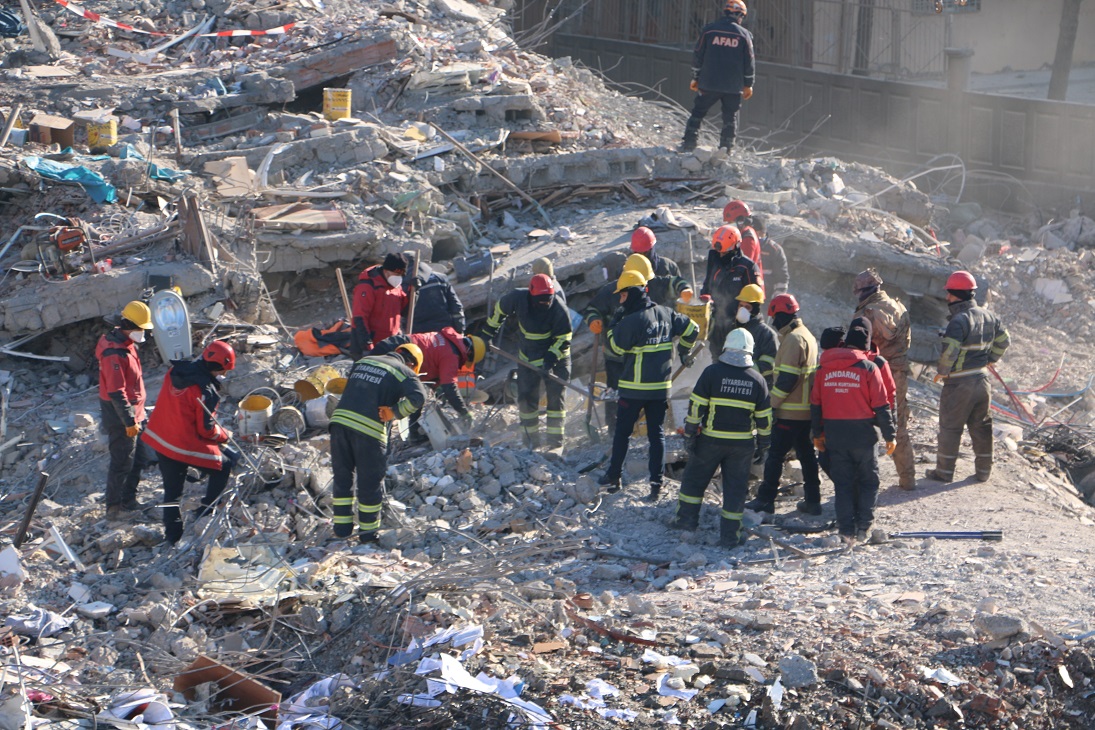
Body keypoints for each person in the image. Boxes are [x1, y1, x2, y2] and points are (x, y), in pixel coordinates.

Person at [600, 270, 699, 499]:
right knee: (657, 436)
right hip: (659, 390)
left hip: (633, 390)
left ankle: (614, 477)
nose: (621, 300)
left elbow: (615, 347)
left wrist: (614, 322)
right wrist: (684, 350)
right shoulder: (666, 313)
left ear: (632, 293)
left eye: (622, 295)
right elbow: (692, 329)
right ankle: (656, 485)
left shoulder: (632, 321)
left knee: (622, 434)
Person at [672, 329, 771, 547]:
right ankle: (730, 538)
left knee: (694, 482)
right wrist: (764, 446)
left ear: (726, 346)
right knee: (735, 491)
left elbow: (696, 406)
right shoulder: (757, 379)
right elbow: (764, 418)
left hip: (711, 441)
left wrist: (690, 433)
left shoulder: (712, 373)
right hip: (741, 446)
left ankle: (685, 523)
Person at [142, 341, 239, 545]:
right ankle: (206, 510)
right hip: (181, 443)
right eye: (224, 370)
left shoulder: (176, 371)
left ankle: (172, 537)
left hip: (159, 436)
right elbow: (206, 429)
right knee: (224, 465)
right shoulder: (206, 391)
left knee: (172, 492)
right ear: (220, 367)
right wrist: (225, 435)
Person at [329, 344, 426, 542]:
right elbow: (419, 397)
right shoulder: (404, 371)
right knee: (369, 484)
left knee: (342, 478)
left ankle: (341, 531)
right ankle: (367, 536)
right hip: (369, 430)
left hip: (339, 424)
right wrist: (394, 412)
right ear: (412, 363)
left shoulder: (364, 361)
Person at [811, 318, 895, 543]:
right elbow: (882, 404)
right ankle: (864, 527)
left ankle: (846, 530)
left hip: (835, 436)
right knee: (869, 481)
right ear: (866, 345)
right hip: (863, 436)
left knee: (843, 484)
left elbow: (816, 404)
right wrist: (890, 435)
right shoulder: (869, 368)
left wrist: (817, 434)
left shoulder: (823, 369)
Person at [928, 270, 1010, 483]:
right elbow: (1005, 341)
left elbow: (950, 353)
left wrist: (942, 372)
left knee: (950, 428)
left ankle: (944, 473)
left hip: (959, 384)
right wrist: (991, 358)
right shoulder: (990, 316)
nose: (947, 298)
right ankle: (984, 472)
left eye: (950, 294)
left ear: (958, 295)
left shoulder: (958, 321)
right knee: (981, 427)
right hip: (982, 382)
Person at [746, 294, 821, 516]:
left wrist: (771, 404)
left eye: (775, 318)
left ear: (780, 315)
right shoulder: (808, 335)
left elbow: (787, 380)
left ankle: (766, 500)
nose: (774, 324)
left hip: (790, 412)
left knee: (775, 455)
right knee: (807, 456)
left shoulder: (792, 340)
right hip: (806, 411)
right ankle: (813, 500)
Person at [482, 274, 573, 449]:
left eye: (548, 299)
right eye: (542, 300)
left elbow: (563, 338)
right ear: (531, 294)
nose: (545, 303)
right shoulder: (517, 298)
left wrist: (549, 362)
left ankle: (555, 444)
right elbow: (499, 310)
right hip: (528, 358)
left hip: (557, 358)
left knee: (556, 399)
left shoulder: (559, 309)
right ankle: (531, 441)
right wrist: (487, 334)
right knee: (526, 399)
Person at [851, 268, 914, 490]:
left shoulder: (866, 313)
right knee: (899, 425)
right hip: (900, 372)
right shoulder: (898, 305)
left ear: (863, 291)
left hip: (876, 373)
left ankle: (863, 482)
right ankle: (907, 479)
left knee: (863, 424)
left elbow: (860, 348)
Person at [96, 300, 155, 520]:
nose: (143, 333)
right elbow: (116, 392)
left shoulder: (124, 343)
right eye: (141, 328)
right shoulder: (114, 354)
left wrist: (137, 417)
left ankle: (128, 501)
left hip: (134, 413)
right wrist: (129, 422)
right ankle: (115, 508)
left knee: (138, 460)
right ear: (129, 325)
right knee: (121, 463)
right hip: (121, 415)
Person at [583, 255, 654, 430]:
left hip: (639, 354)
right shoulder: (609, 292)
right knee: (614, 393)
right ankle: (614, 428)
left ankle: (639, 428)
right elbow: (592, 309)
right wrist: (593, 320)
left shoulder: (647, 288)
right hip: (614, 356)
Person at [371, 329, 486, 430]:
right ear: (469, 353)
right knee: (393, 399)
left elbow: (429, 365)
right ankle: (405, 433)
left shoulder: (447, 340)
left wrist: (437, 387)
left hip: (390, 346)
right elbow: (449, 386)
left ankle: (414, 432)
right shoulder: (452, 354)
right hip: (399, 354)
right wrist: (463, 412)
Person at [680, 0, 754, 152]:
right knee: (730, 118)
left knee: (698, 113)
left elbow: (698, 55)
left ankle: (689, 145)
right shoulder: (744, 35)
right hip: (733, 87)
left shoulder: (709, 31)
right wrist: (748, 84)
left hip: (709, 83)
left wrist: (695, 77)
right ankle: (726, 150)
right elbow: (749, 62)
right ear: (740, 15)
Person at [701, 224, 760, 358]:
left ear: (736, 246)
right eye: (719, 252)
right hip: (716, 323)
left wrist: (745, 319)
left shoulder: (747, 267)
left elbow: (756, 298)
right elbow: (707, 286)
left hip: (737, 325)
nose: (721, 255)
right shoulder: (714, 260)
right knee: (716, 358)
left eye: (725, 252)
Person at [350, 253, 409, 358]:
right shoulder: (368, 287)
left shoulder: (396, 288)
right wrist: (367, 346)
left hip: (390, 343)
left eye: (401, 275)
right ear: (386, 271)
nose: (398, 278)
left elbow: (405, 310)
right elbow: (360, 318)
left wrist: (414, 292)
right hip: (370, 345)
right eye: (396, 274)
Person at [730, 283, 777, 387]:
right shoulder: (733, 329)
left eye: (747, 307)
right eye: (741, 306)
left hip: (755, 385)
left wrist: (744, 371)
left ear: (756, 310)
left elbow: (769, 365)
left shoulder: (766, 334)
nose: (742, 310)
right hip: (733, 385)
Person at [407, 259, 465, 334]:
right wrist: (460, 330)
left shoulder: (404, 285)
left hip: (420, 335)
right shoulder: (440, 278)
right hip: (445, 331)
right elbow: (456, 306)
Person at [751, 215, 789, 296]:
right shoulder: (745, 245)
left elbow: (782, 277)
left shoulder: (774, 250)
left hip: (766, 296)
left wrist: (777, 298)